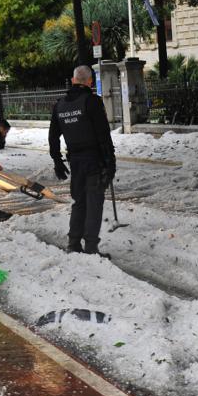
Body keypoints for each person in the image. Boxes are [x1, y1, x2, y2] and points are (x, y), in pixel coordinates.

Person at [48, 65, 116, 257]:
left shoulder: (59, 105)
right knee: (94, 202)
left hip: (75, 161)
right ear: (90, 82)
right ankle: (91, 248)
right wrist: (110, 162)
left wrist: (57, 160)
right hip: (94, 160)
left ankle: (73, 243)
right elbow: (103, 135)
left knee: (79, 202)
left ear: (73, 80)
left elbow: (53, 136)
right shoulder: (92, 101)